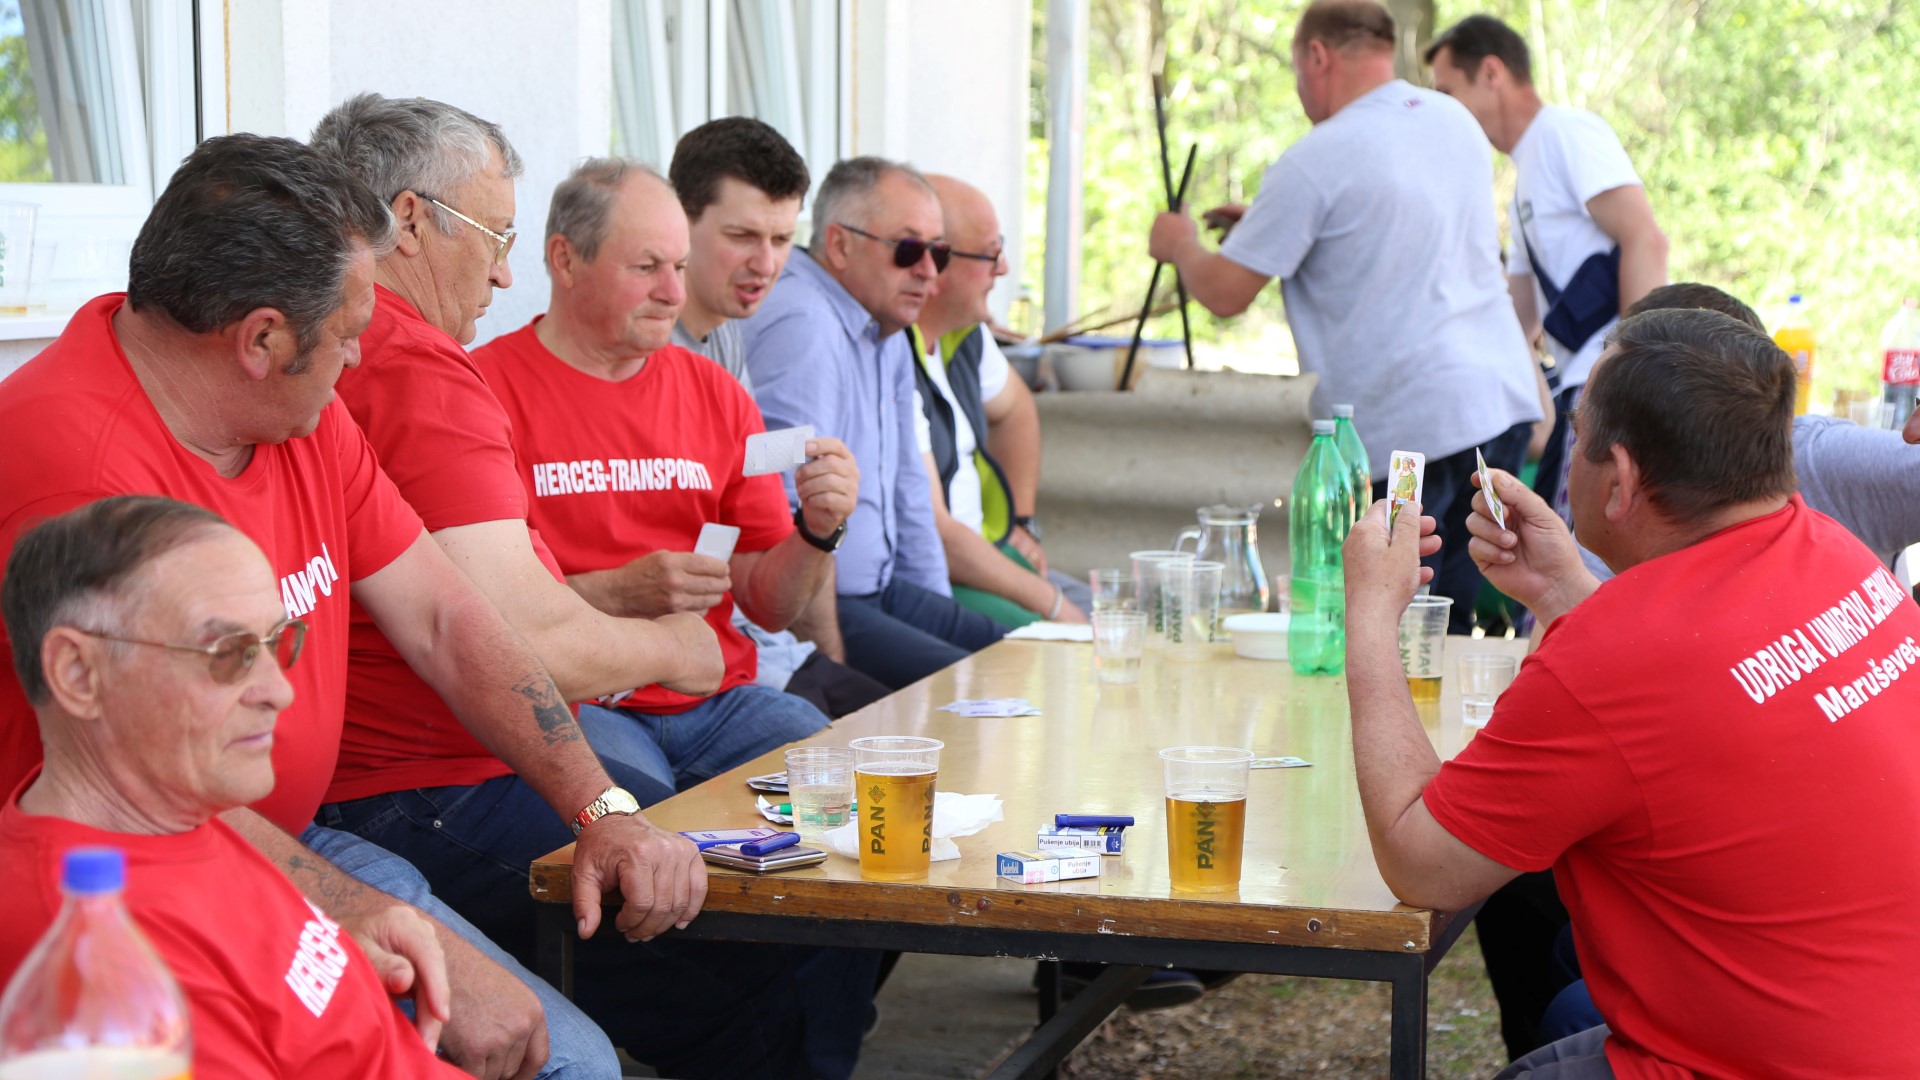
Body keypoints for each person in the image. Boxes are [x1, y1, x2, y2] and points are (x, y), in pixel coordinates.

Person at [0, 133, 617, 1079]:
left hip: (288, 833)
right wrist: (360, 912)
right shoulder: (77, 472)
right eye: (347, 331)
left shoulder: (297, 413)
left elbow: (444, 615)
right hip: (143, 867)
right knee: (566, 1063)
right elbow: (132, 781)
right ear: (261, 340)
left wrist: (599, 805)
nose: (361, 354)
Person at [312, 97, 849, 1078]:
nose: (501, 271)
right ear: (412, 220)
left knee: (814, 844)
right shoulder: (422, 369)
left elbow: (459, 615)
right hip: (414, 778)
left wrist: (818, 530)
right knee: (729, 960)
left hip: (441, 758)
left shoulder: (361, 355)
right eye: (495, 237)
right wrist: (668, 646)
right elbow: (518, 632)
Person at [1342, 307, 1920, 1078]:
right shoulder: (1840, 556)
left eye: (1577, 436)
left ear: (1620, 479)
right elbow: (1695, 686)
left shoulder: (1610, 657)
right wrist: (1562, 590)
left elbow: (1421, 862)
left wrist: (1369, 617)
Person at [0, 496, 464, 1079]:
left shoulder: (168, 816)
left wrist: (336, 960)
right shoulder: (97, 959)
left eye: (278, 642)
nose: (279, 692)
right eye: (227, 654)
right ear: (78, 673)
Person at [1148, 0, 1541, 634]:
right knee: (1468, 621)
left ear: (1317, 56)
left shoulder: (1316, 157)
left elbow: (1223, 292)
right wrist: (1271, 229)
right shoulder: (1453, 119)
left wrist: (1181, 244)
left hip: (1411, 436)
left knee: (1399, 620)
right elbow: (1397, 226)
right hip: (1497, 406)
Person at [741, 156, 1008, 689]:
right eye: (908, 249)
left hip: (880, 591)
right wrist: (832, 669)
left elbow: (911, 496)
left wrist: (937, 612)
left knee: (1022, 663)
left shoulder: (886, 322)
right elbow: (789, 512)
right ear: (840, 246)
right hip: (828, 604)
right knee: (978, 692)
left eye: (938, 252)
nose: (928, 270)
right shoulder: (807, 323)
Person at [668, 116, 891, 719]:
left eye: (783, 239)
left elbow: (755, 506)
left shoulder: (725, 336)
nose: (766, 263)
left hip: (759, 645)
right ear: (678, 222)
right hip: (697, 668)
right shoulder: (647, 348)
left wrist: (821, 514)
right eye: (742, 235)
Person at [1426, 14, 1669, 527]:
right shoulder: (1523, 180)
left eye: (1447, 92)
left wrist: (1635, 373)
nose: (1442, 110)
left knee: (1570, 552)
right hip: (1582, 393)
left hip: (1609, 386)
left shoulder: (1565, 132)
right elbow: (1516, 318)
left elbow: (1645, 238)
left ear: (1491, 72)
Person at [911, 174, 1089, 629]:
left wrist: (1021, 524)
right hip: (947, 577)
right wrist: (1054, 607)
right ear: (936, 262)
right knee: (1079, 640)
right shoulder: (890, 354)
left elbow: (1016, 410)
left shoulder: (964, 333)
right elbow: (938, 539)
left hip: (989, 556)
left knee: (1117, 620)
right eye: (990, 254)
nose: (1004, 268)